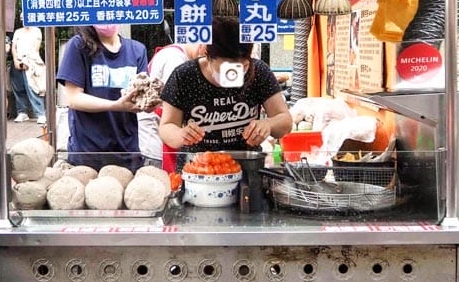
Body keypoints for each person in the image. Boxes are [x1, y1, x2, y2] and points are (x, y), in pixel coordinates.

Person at [159, 15, 293, 155]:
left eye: (244, 66)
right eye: (227, 69)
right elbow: (166, 126)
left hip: (247, 163)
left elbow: (285, 121)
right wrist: (182, 134)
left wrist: (268, 125)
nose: (234, 75)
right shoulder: (184, 75)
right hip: (198, 167)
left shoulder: (259, 71)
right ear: (207, 55)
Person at [57, 24, 151, 171]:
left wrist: (147, 103)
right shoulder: (79, 45)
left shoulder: (137, 50)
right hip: (88, 152)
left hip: (127, 150)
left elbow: (142, 95)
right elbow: (74, 98)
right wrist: (115, 105)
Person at [138, 40, 206, 167]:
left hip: (162, 135)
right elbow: (174, 102)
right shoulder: (175, 60)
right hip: (156, 141)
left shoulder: (176, 54)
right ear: (203, 46)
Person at [11, 26, 48, 125]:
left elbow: (36, 49)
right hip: (18, 62)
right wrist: (15, 60)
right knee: (19, 88)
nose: (23, 18)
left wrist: (26, 61)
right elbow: (14, 47)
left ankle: (40, 113)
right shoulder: (18, 32)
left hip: (32, 62)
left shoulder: (36, 30)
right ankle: (22, 112)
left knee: (34, 88)